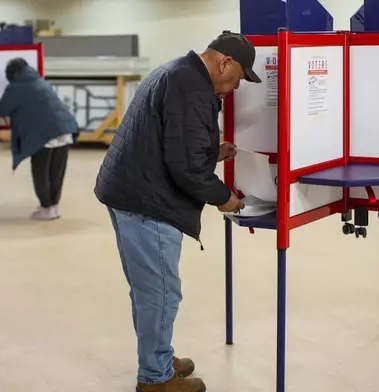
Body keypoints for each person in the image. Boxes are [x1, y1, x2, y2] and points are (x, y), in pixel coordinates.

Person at [94, 31, 261, 392]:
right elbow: (184, 167)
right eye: (236, 80)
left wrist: (210, 153)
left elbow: (168, 140)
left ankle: (157, 355)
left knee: (147, 289)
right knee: (160, 292)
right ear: (224, 63)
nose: (233, 89)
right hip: (146, 201)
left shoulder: (177, 71)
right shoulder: (190, 87)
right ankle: (155, 379)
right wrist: (224, 198)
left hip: (129, 190)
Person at [0, 57, 78, 220]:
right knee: (56, 172)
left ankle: (46, 208)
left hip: (45, 135)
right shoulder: (40, 81)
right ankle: (54, 207)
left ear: (11, 74)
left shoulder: (16, 87)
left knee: (41, 173)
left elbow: (2, 109)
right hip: (65, 130)